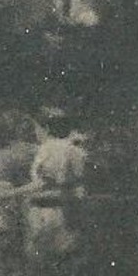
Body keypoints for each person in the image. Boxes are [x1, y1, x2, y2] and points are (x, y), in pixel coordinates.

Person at [26, 108, 88, 257]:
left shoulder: (45, 149)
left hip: (45, 209)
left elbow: (40, 179)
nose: (36, 133)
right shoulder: (77, 150)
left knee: (43, 255)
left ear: (46, 129)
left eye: (37, 129)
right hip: (70, 209)